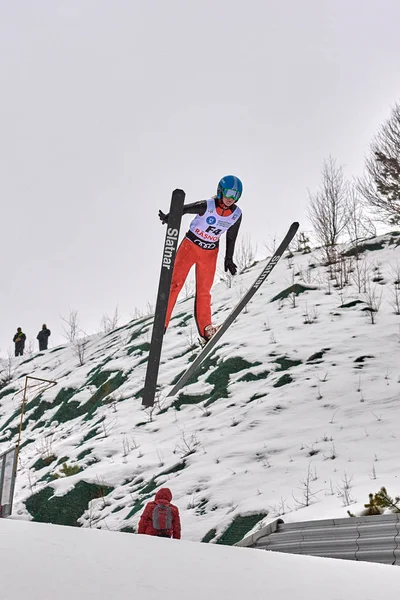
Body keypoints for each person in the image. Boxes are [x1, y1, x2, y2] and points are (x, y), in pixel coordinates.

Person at [159, 175, 243, 343]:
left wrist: (228, 258)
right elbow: (184, 209)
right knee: (175, 284)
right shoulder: (208, 206)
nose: (230, 199)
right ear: (220, 191)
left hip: (210, 252)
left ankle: (206, 330)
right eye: (228, 193)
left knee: (204, 292)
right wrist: (171, 217)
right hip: (190, 246)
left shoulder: (236, 214)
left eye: (235, 195)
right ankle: (162, 323)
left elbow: (231, 237)